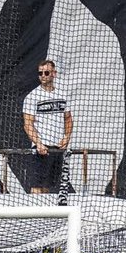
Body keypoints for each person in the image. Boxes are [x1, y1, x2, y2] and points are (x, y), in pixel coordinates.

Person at [21, 59, 72, 194]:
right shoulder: (33, 96)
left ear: (54, 74)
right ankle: (35, 213)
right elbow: (27, 123)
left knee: (48, 186)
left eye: (46, 72)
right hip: (40, 149)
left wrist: (66, 137)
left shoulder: (62, 94)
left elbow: (68, 118)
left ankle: (46, 214)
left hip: (57, 148)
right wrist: (38, 143)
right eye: (40, 73)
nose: (43, 75)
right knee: (36, 186)